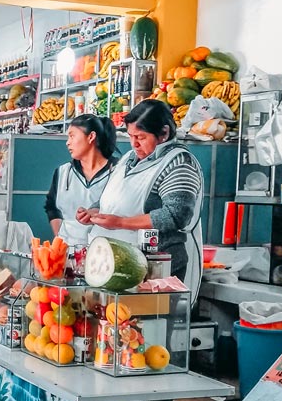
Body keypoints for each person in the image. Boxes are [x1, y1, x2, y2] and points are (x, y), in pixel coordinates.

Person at [79, 99, 204, 298]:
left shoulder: (179, 162)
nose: (134, 143)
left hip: (155, 268)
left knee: (148, 328)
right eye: (130, 136)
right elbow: (113, 196)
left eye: (141, 137)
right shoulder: (129, 158)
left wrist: (120, 222)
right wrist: (94, 211)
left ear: (163, 133)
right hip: (113, 266)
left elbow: (175, 215)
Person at [45, 114, 118, 246]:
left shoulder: (117, 171)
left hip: (104, 251)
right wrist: (59, 237)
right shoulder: (63, 172)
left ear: (91, 137)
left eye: (72, 136)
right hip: (67, 251)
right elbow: (51, 207)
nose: (67, 142)